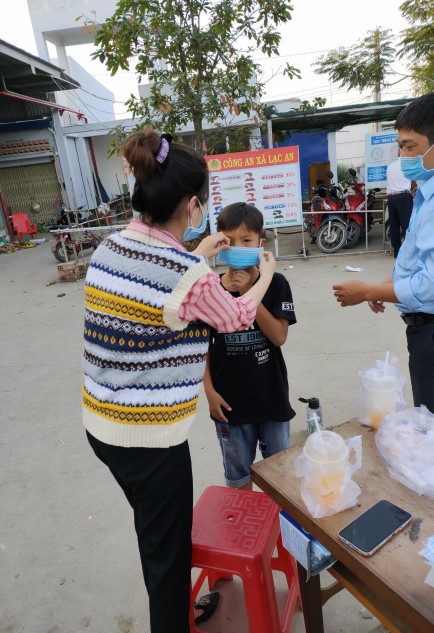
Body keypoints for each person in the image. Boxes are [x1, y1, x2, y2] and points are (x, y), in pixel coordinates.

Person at [82, 131, 276, 633]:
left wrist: (195, 250)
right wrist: (267, 273)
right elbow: (234, 316)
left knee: (154, 534)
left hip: (100, 425)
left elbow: (158, 286)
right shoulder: (188, 272)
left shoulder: (110, 245)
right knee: (168, 560)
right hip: (148, 439)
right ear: (192, 204)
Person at [332, 92, 434, 418]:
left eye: (410, 146)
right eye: (400, 146)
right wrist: (389, 284)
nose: (402, 155)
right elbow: (420, 257)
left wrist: (367, 290)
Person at [203, 203, 296, 490]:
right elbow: (202, 346)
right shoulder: (209, 287)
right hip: (229, 406)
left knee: (280, 479)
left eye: (247, 241)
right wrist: (209, 391)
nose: (238, 247)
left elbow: (279, 336)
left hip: (272, 400)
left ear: (261, 244)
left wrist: (247, 294)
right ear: (219, 243)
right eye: (230, 241)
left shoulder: (276, 284)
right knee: (238, 477)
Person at [386, 154, 415, 257]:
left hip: (391, 198)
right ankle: (408, 252)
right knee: (406, 224)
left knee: (394, 225)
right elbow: (413, 182)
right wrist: (412, 190)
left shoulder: (391, 166)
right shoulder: (407, 166)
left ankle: (397, 252)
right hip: (403, 196)